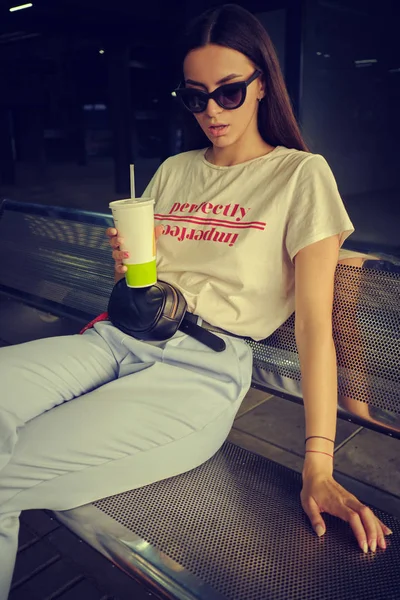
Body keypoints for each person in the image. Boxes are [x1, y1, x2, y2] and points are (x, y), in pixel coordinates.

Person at [0, 4, 392, 597]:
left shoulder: (300, 176)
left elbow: (315, 327)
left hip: (199, 369)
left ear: (262, 85)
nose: (212, 110)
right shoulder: (175, 171)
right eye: (196, 96)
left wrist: (319, 464)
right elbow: (148, 276)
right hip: (116, 335)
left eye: (230, 92)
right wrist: (129, 264)